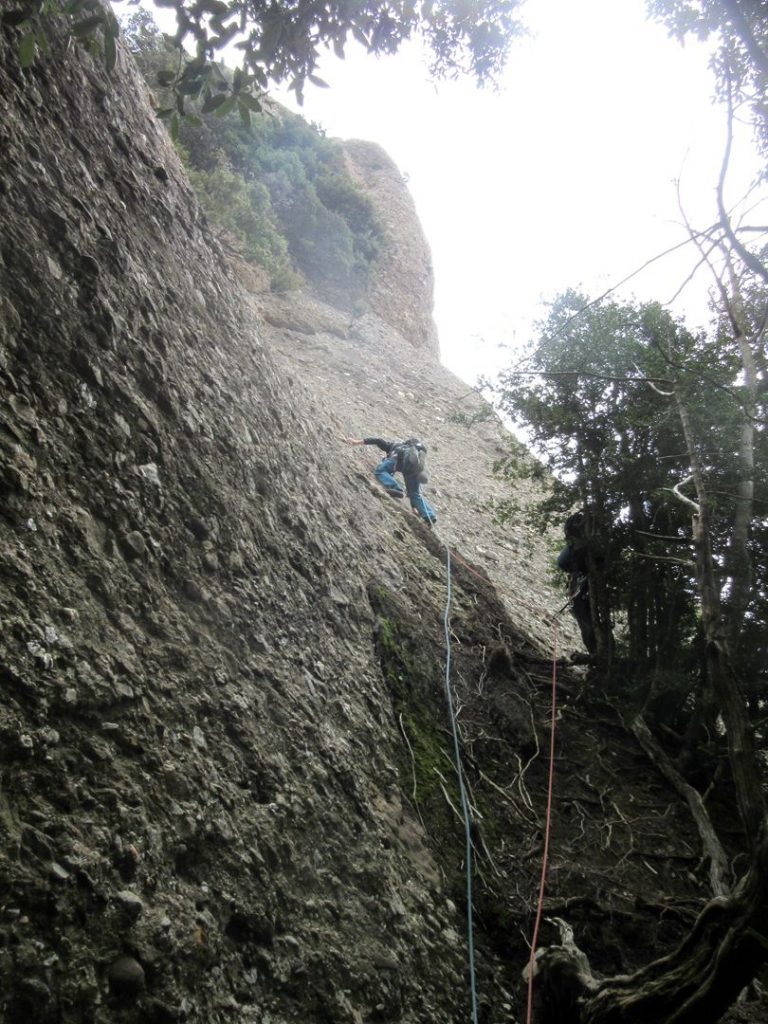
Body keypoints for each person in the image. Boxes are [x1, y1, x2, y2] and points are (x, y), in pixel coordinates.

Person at [343, 435, 436, 524]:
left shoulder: (394, 446)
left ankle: (396, 488)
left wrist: (356, 442)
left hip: (399, 456)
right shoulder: (405, 448)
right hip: (411, 468)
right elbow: (412, 493)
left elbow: (378, 441)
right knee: (414, 494)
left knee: (380, 471)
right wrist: (413, 508)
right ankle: (429, 516)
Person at [557, 513, 597, 655]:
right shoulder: (594, 535)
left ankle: (597, 658)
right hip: (582, 585)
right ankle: (597, 658)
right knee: (590, 627)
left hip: (580, 586)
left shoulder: (573, 549)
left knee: (588, 627)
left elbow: (562, 563)